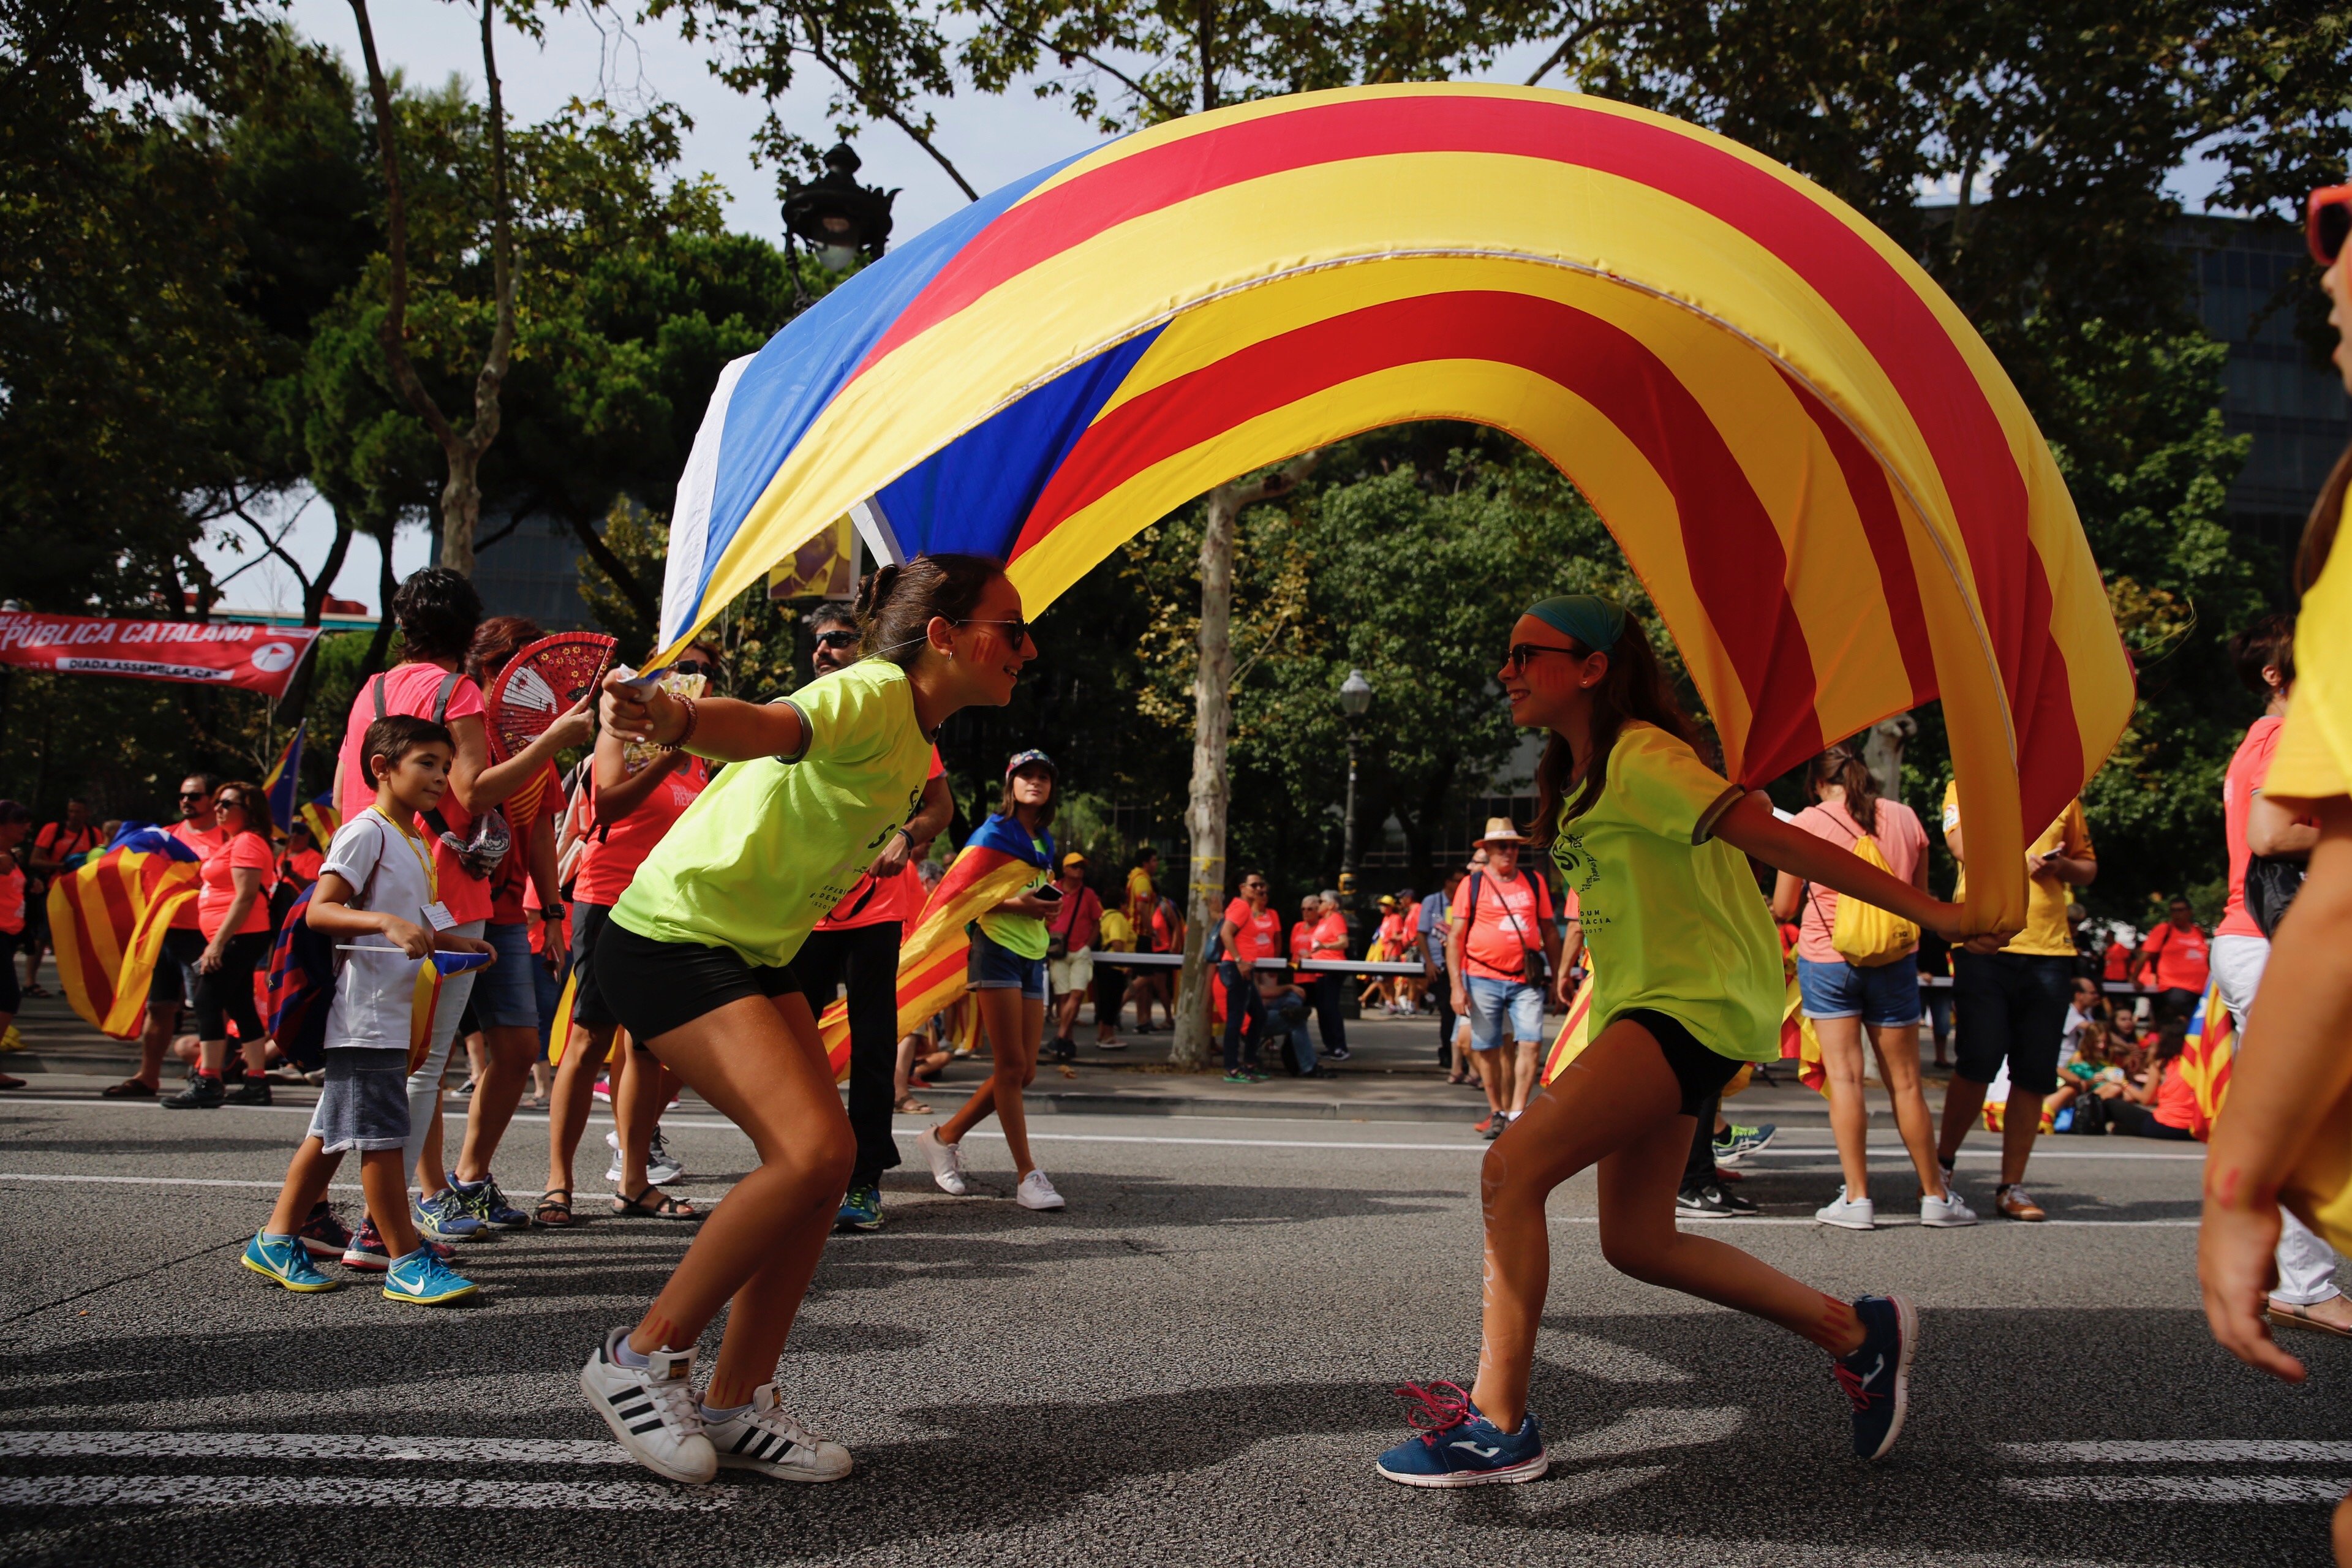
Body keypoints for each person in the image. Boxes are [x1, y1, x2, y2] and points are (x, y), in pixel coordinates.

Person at [1374, 594, 1997, 1488]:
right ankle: (1858, 1334)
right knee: (1639, 1241)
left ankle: (1498, 1423)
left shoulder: (1645, 757)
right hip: (1652, 1007)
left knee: (1509, 1170)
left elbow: (1778, 840)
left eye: (1527, 654)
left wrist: (1937, 914)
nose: (1506, 671)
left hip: (1690, 1008)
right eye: (1505, 655)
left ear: (1592, 668)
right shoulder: (1581, 768)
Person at [582, 552, 1027, 1486]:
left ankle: (738, 1401)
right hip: (672, 936)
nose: (1028, 648)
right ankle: (639, 1356)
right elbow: (772, 726)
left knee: (827, 1169)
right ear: (943, 636)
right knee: (816, 1153)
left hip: (750, 949)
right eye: (1011, 628)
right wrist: (675, 717)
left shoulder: (916, 738)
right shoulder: (870, 690)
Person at [333, 568, 592, 1245]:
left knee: (388, 1061)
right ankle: (380, 1226)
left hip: (386, 892)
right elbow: (474, 794)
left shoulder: (374, 689)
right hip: (445, 895)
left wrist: (360, 868)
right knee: (420, 1065)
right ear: (473, 634)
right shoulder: (459, 691)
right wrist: (559, 739)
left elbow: (345, 791)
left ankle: (323, 1219)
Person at [237, 714, 492, 1303]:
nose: (440, 777)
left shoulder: (413, 838)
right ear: (382, 767)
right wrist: (381, 921)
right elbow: (321, 910)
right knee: (381, 1138)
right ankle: (404, 1260)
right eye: (426, 763)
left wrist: (459, 943)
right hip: (367, 1015)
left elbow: (422, 917)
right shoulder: (366, 832)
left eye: (445, 767)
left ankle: (275, 1240)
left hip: (396, 1014)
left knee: (332, 1132)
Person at [540, 637, 726, 1229]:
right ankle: (558, 1184)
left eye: (702, 671)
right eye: (681, 668)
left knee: (646, 1050)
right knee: (589, 1040)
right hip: (606, 899)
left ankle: (634, 1182)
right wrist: (669, 757)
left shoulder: (706, 751)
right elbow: (610, 806)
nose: (692, 678)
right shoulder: (621, 729)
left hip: (667, 909)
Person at [793, 603, 955, 1233]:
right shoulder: (804, 711)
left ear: (866, 650)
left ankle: (862, 1180)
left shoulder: (903, 722)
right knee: (791, 1042)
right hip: (804, 907)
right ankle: (801, 1161)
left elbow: (941, 807)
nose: (825, 649)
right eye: (818, 640)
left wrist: (908, 835)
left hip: (873, 912)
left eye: (837, 639)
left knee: (870, 1044)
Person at [2210, 611, 2348, 1334]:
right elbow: (2271, 832)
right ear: (2275, 676)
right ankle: (2306, 1282)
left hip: (2263, 941)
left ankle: (2291, 1272)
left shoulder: (2271, 737)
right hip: (2273, 941)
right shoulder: (2285, 735)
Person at [1770, 745, 1973, 1230]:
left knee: (1845, 1079)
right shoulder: (1905, 818)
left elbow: (1783, 906)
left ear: (1818, 784)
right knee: (1906, 1084)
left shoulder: (1806, 822)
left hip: (1828, 960)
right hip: (1895, 961)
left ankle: (1858, 1199)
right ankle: (1935, 1196)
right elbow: (1919, 898)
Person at [437, 616, 573, 1231]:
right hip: (448, 910)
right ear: (484, 665)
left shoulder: (530, 734)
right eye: (515, 660)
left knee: (519, 1050)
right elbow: (473, 797)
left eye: (536, 661)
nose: (527, 673)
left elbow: (541, 827)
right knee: (428, 1058)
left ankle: (470, 1176)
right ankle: (428, 1192)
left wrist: (552, 911)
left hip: (509, 916)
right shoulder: (466, 728)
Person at [1935, 778, 2096, 1223]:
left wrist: (2061, 864)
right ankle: (1940, 1168)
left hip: (2049, 950)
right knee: (1978, 1059)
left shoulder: (2064, 790)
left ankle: (2012, 1186)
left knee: (2035, 1071)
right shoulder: (1967, 778)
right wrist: (2015, 862)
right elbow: (1959, 844)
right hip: (1985, 939)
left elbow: (2088, 868)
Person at [921, 750, 1066, 1212]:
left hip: (1032, 954)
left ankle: (943, 1137)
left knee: (1024, 1071)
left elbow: (1028, 888)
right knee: (1009, 1067)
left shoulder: (1043, 839)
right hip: (996, 951)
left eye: (1044, 776)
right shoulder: (992, 832)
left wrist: (1047, 904)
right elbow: (962, 892)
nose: (1036, 782)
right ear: (1011, 783)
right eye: (1027, 775)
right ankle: (1027, 1174)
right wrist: (1018, 905)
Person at [162, 781, 279, 1109]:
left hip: (240, 935)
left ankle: (209, 1079)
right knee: (240, 1005)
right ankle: (256, 1081)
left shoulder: (247, 843)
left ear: (248, 811)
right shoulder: (238, 842)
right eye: (217, 803)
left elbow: (244, 899)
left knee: (206, 1000)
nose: (218, 809)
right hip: (240, 935)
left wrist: (216, 945)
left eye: (227, 804)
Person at [108, 776, 224, 1098]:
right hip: (163, 933)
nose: (187, 801)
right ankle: (148, 1077)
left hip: (204, 934)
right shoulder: (165, 836)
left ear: (212, 800)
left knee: (209, 1007)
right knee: (158, 1008)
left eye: (195, 796)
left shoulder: (227, 837)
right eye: (183, 796)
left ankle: (207, 1073)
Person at [1447, 820, 1564, 1138]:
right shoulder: (1471, 885)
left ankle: (1517, 1112)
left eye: (1514, 846)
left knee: (1531, 1041)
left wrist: (1557, 976)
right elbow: (1456, 937)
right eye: (1502, 846)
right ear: (1486, 850)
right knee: (1486, 1047)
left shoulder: (1533, 881)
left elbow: (1550, 931)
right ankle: (1497, 1109)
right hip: (1482, 977)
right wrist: (1457, 987)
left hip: (1525, 978)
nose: (1509, 852)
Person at [1213, 870, 1283, 1082]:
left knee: (1259, 1015)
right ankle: (1232, 1068)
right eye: (1254, 885)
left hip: (1243, 969)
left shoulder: (1242, 907)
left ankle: (1250, 1062)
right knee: (1236, 1019)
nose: (1260, 889)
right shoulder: (1242, 907)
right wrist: (1239, 960)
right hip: (1236, 968)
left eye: (1261, 885)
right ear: (1242, 888)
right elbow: (1226, 933)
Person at [24, 797, 97, 996]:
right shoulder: (53, 830)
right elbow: (35, 860)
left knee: (75, 938)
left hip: (80, 892)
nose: (74, 816)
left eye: (78, 812)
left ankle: (70, 984)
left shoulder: (93, 834)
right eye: (71, 811)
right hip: (53, 890)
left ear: (87, 813)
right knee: (43, 936)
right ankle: (30, 982)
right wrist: (61, 866)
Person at [1044, 853, 1104, 1063]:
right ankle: (1066, 1041)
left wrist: (1088, 946)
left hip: (1080, 951)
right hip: (1057, 951)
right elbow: (1039, 916)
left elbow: (1097, 922)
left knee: (1077, 994)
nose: (1080, 870)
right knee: (1062, 996)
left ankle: (1060, 1036)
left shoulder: (1088, 895)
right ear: (1066, 869)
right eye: (1075, 866)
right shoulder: (1052, 890)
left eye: (1082, 867)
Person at [2133, 896, 2210, 1022]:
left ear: (2190, 912)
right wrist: (2135, 978)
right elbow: (2145, 955)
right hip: (2175, 988)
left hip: (2201, 989)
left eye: (2181, 910)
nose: (2177, 914)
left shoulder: (2198, 931)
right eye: (2173, 911)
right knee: (2195, 1023)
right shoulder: (2164, 929)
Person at [0, 802, 30, 1090]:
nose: (26, 826)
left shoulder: (12, 856)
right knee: (7, 998)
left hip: (9, 936)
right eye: (19, 821)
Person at [1420, 873, 1463, 1074]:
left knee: (1460, 1014)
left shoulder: (1465, 900)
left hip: (1461, 962)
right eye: (1457, 880)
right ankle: (1447, 1052)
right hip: (1439, 964)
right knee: (1447, 1010)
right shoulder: (1432, 901)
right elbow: (1421, 933)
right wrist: (1428, 962)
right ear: (1447, 881)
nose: (1460, 884)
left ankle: (1460, 1057)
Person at [1306, 890, 1352, 1061]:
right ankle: (1331, 1046)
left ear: (1332, 905)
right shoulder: (1323, 921)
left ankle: (1340, 1047)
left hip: (1333, 968)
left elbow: (1344, 942)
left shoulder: (1336, 919)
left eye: (1321, 901)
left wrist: (1325, 947)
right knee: (1324, 1009)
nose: (1318, 904)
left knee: (1331, 1008)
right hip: (1320, 969)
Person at [1124, 847, 1167, 1032]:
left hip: (1138, 934)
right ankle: (1116, 1008)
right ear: (1145, 863)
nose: (1156, 864)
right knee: (1146, 977)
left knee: (1145, 981)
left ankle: (1143, 1020)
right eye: (1154, 860)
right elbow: (1142, 908)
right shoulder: (1142, 880)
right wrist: (1153, 932)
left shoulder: (1136, 878)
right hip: (1141, 934)